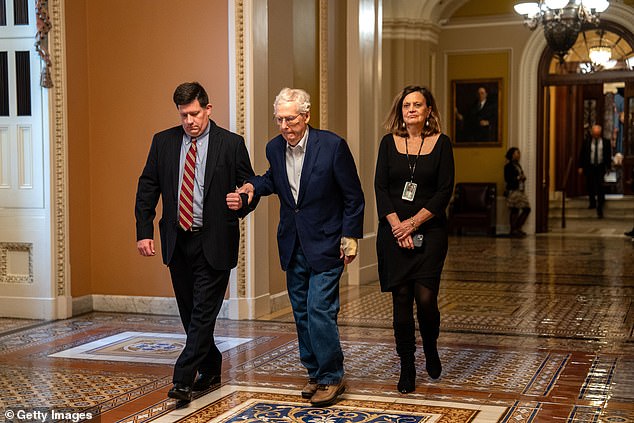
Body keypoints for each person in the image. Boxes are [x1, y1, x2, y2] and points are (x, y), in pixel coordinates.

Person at [231, 88, 364, 407]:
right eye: (279, 119)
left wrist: (350, 237)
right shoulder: (274, 148)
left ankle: (332, 376)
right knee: (302, 312)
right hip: (292, 243)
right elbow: (273, 179)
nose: (284, 126)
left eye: (290, 119)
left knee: (320, 308)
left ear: (306, 116)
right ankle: (315, 372)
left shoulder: (332, 146)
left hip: (327, 242)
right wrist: (252, 186)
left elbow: (353, 196)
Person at [135, 82, 257, 402]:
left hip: (214, 240)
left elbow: (250, 186)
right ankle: (212, 365)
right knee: (191, 315)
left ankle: (183, 379)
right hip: (178, 241)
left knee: (203, 312)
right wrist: (144, 230)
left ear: (208, 109)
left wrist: (242, 200)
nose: (189, 120)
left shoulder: (230, 144)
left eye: (194, 113)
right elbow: (148, 187)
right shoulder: (163, 142)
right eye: (183, 114)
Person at [374, 85, 455, 394]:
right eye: (406, 105)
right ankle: (407, 365)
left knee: (426, 300)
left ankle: (430, 345)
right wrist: (399, 227)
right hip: (393, 233)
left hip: (430, 232)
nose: (411, 109)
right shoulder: (387, 143)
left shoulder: (442, 144)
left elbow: (444, 191)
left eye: (417, 105)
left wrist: (413, 224)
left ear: (428, 111)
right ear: (401, 111)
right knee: (401, 300)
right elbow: (381, 188)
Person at [578, 124, 612, 218]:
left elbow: (608, 155)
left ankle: (600, 204)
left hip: (601, 166)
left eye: (598, 134)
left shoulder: (606, 142)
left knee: (600, 185)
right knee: (590, 184)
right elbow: (582, 154)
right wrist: (580, 166)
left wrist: (608, 167)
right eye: (595, 134)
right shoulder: (587, 142)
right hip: (590, 166)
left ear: (600, 133)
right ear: (592, 133)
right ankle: (592, 202)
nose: (596, 135)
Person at [504, 147, 531, 237]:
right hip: (513, 190)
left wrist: (522, 177)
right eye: (517, 153)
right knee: (514, 210)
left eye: (519, 153)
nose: (519, 155)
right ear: (512, 154)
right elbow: (507, 179)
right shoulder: (508, 166)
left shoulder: (518, 165)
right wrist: (518, 178)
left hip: (520, 190)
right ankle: (513, 230)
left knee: (527, 209)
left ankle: (517, 228)